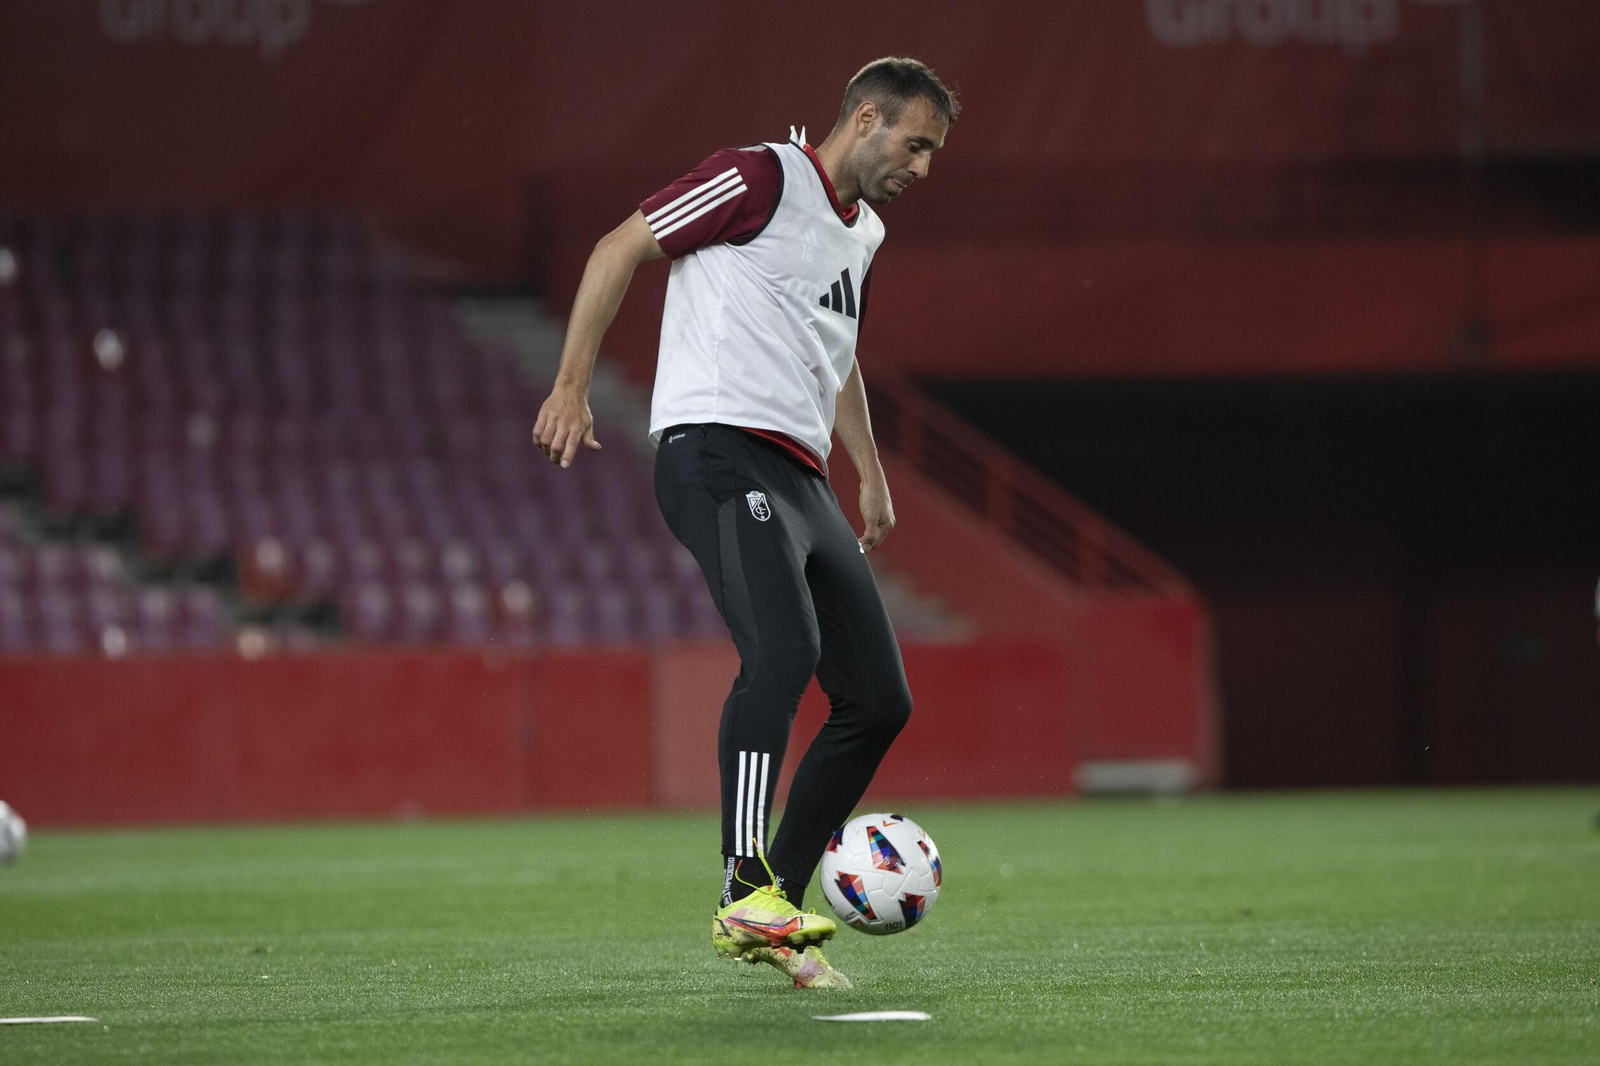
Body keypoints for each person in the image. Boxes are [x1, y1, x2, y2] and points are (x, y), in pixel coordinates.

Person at [533, 57, 957, 988]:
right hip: (717, 446)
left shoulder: (865, 233)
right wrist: (571, 384)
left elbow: (834, 353)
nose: (922, 167)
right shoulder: (758, 177)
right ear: (867, 118)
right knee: (782, 654)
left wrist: (871, 475)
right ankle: (741, 883)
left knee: (880, 699)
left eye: (933, 153)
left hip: (802, 475)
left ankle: (776, 902)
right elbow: (618, 248)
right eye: (916, 144)